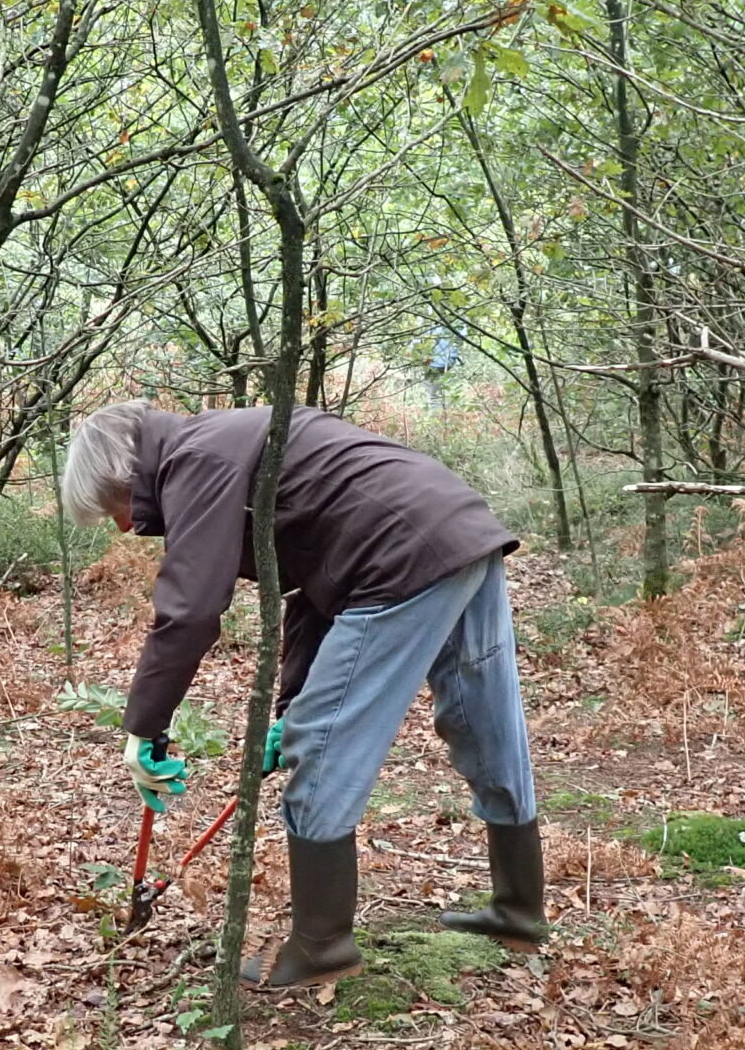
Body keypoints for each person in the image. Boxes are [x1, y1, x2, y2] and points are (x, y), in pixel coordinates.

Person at [60, 399, 544, 989]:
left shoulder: (197, 460)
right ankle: (519, 909)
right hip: (457, 529)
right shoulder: (229, 442)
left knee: (323, 745)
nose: (124, 528)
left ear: (126, 474)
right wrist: (288, 710)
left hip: (398, 557)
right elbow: (313, 587)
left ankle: (322, 945)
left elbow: (190, 611)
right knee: (481, 717)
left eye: (114, 509)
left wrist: (144, 727)